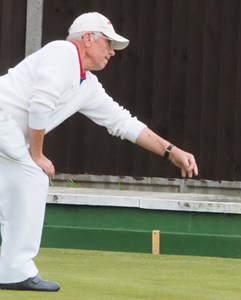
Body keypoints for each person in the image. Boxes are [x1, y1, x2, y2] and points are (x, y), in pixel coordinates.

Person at [0, 12, 198, 292]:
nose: (111, 52)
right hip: (2, 119)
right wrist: (37, 155)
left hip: (6, 133)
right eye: (108, 43)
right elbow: (40, 103)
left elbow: (122, 122)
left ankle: (11, 270)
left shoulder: (87, 85)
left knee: (22, 185)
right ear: (88, 38)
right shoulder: (63, 52)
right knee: (33, 176)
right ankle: (14, 271)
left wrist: (171, 151)